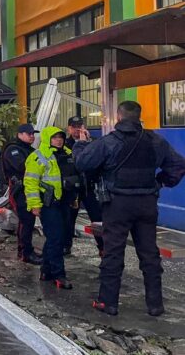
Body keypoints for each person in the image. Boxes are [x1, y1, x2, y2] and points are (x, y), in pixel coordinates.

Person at [74, 101, 185, 316]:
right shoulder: (156, 141)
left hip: (118, 204)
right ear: (139, 116)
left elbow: (83, 163)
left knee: (113, 252)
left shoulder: (109, 142)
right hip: (147, 202)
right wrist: (160, 182)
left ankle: (108, 303)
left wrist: (80, 144)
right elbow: (179, 165)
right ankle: (155, 305)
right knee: (150, 253)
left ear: (118, 116)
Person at [24, 126, 74, 290]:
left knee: (56, 238)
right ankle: (59, 275)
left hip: (65, 202)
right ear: (47, 139)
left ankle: (46, 271)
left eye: (60, 137)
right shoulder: (38, 156)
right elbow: (30, 182)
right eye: (55, 137)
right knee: (56, 239)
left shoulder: (68, 154)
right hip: (48, 204)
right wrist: (34, 205)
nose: (58, 140)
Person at [1, 124, 41, 265]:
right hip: (19, 190)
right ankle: (25, 252)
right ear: (20, 134)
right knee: (26, 221)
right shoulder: (13, 149)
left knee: (29, 221)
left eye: (33, 134)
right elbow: (22, 167)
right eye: (29, 134)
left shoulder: (30, 150)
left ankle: (26, 250)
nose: (32, 136)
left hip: (30, 190)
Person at [64, 116, 104, 257]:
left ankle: (102, 247)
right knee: (69, 218)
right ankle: (66, 246)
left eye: (80, 126)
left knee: (97, 218)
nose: (77, 130)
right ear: (69, 128)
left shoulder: (93, 142)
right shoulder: (65, 144)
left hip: (89, 186)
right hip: (73, 188)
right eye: (74, 127)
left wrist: (86, 142)